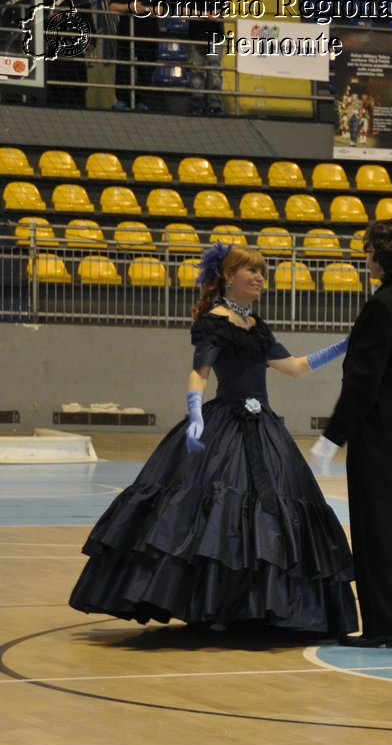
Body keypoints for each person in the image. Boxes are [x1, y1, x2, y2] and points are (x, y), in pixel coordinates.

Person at [70, 244, 357, 634]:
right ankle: (216, 606)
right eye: (250, 271)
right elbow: (199, 374)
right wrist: (194, 413)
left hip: (264, 429)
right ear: (228, 276)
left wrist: (342, 346)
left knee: (267, 511)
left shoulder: (257, 325)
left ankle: (257, 607)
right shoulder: (213, 321)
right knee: (219, 514)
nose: (259, 278)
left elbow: (295, 368)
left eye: (261, 271)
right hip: (227, 424)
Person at [308, 219, 392, 648]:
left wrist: (332, 438)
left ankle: (385, 627)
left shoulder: (382, 305)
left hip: (383, 427)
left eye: (369, 250)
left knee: (376, 525)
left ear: (384, 255)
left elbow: (362, 381)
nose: (365, 258)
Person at [177, 0, 226, 115]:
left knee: (214, 71)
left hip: (214, 38)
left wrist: (198, 13)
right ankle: (197, 102)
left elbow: (219, 10)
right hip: (195, 38)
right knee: (196, 71)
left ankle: (214, 104)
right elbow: (182, 10)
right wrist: (204, 14)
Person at [107, 0, 157, 111]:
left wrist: (144, 9)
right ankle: (123, 100)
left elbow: (161, 9)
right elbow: (112, 7)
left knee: (145, 70)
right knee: (123, 68)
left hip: (148, 37)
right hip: (126, 36)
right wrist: (129, 7)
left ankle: (142, 101)